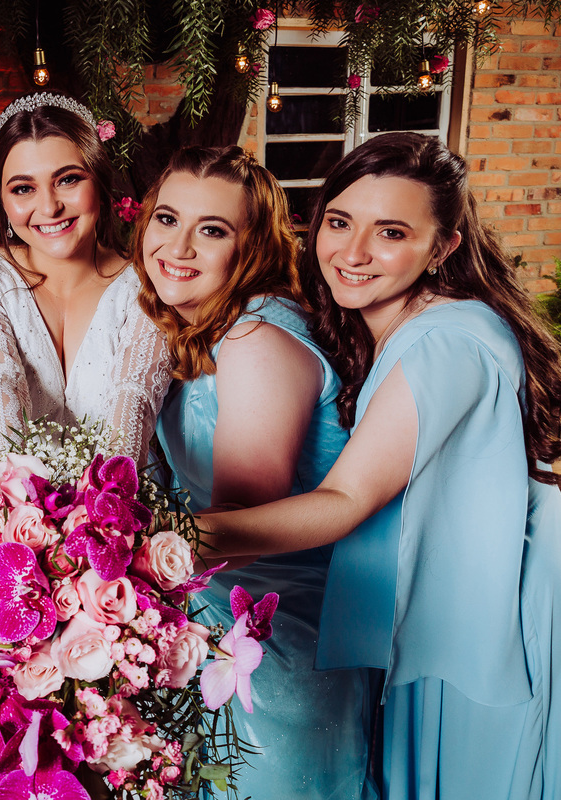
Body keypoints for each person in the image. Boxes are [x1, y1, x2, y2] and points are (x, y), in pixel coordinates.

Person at [196, 132, 561, 799]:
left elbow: (345, 500)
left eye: (390, 232)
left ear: (442, 247)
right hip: (461, 588)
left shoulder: (445, 340)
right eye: (339, 222)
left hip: (505, 604)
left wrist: (171, 540)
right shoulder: (388, 322)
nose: (352, 253)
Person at [133, 145, 375, 798]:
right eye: (166, 219)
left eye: (211, 230)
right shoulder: (198, 327)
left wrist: (94, 561)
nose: (177, 247)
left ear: (253, 248)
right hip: (211, 632)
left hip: (271, 648)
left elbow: (235, 537)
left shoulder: (253, 338)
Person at [0, 92, 171, 466]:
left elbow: (134, 402)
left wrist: (101, 512)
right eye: (23, 188)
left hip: (121, 493)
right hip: (9, 496)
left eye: (67, 179)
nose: (49, 207)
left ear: (99, 182)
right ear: (2, 201)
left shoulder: (147, 284)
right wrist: (17, 508)